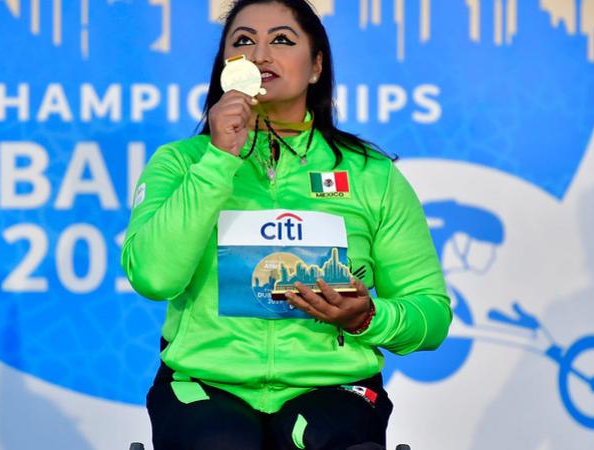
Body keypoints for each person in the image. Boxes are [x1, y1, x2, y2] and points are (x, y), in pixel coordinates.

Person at [120, 1, 452, 448]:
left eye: (281, 39)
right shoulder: (180, 163)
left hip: (333, 390)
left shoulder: (372, 175)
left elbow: (430, 315)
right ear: (226, 68)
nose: (260, 55)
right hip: (205, 385)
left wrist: (368, 318)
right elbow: (154, 277)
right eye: (243, 42)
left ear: (316, 66)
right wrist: (218, 160)